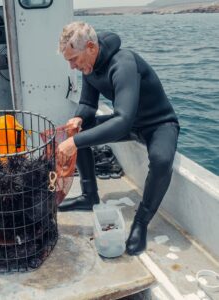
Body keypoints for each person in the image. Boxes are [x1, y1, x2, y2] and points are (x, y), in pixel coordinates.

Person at [57, 21, 179, 256]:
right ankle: (88, 195)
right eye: (69, 61)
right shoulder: (89, 67)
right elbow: (87, 104)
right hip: (131, 124)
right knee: (79, 132)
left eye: (74, 59)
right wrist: (79, 120)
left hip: (159, 123)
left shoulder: (123, 64)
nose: (72, 66)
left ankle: (141, 222)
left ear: (91, 47)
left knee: (162, 161)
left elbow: (121, 120)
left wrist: (74, 143)